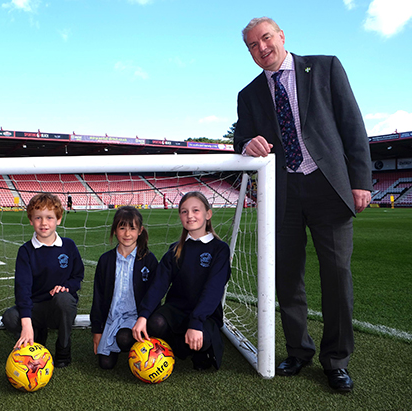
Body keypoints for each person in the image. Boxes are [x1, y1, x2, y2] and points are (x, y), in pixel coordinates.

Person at [233, 17, 372, 392]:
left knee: (336, 276)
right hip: (283, 193)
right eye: (252, 45)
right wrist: (246, 145)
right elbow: (241, 137)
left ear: (281, 36)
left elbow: (352, 125)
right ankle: (298, 350)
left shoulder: (325, 67)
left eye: (265, 38)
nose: (261, 48)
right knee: (287, 278)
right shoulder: (248, 95)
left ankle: (336, 360)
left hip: (330, 188)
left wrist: (361, 181)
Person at [132, 192, 231, 371]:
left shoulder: (219, 249)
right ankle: (176, 348)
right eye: (184, 212)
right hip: (177, 310)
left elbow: (214, 289)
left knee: (203, 349)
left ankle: (201, 348)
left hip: (205, 314)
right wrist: (143, 315)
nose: (190, 215)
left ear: (208, 214)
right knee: (155, 323)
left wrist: (196, 322)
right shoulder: (175, 250)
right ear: (180, 216)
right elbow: (159, 284)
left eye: (196, 210)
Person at [2, 193, 84, 368]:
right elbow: (22, 288)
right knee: (10, 317)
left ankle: (63, 346)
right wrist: (26, 323)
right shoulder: (26, 251)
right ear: (31, 220)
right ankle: (37, 337)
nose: (44, 223)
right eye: (38, 218)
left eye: (49, 217)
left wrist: (66, 287)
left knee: (64, 298)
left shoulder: (68, 246)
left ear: (59, 219)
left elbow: (77, 277)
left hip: (58, 309)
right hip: (35, 308)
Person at [90, 206, 158, 369]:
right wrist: (97, 332)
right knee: (105, 365)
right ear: (115, 230)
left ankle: (137, 345)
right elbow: (98, 297)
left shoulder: (149, 260)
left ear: (140, 230)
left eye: (132, 228)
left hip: (137, 318)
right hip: (112, 318)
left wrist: (146, 319)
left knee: (124, 339)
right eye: (122, 228)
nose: (127, 234)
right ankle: (115, 338)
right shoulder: (105, 260)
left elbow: (154, 295)